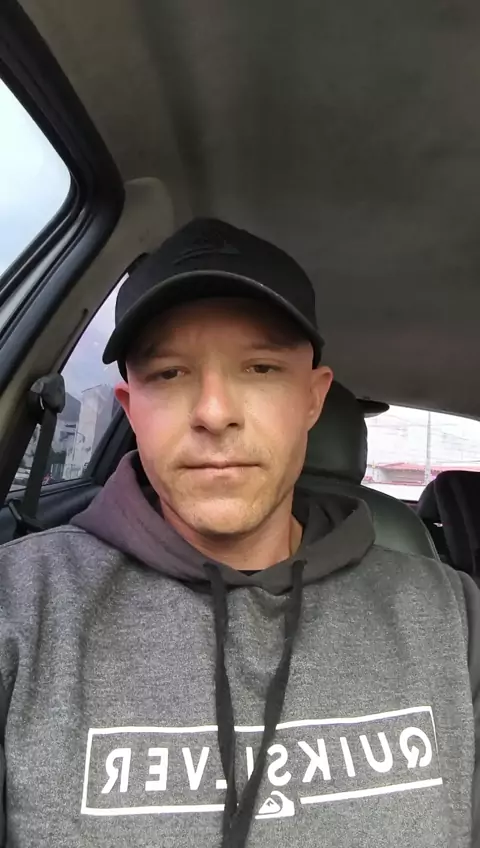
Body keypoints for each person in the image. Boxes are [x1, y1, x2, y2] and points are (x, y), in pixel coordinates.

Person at [0, 218, 478, 848]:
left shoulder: (452, 615)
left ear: (313, 400)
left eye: (260, 368)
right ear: (131, 408)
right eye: (169, 373)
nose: (215, 412)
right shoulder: (19, 608)